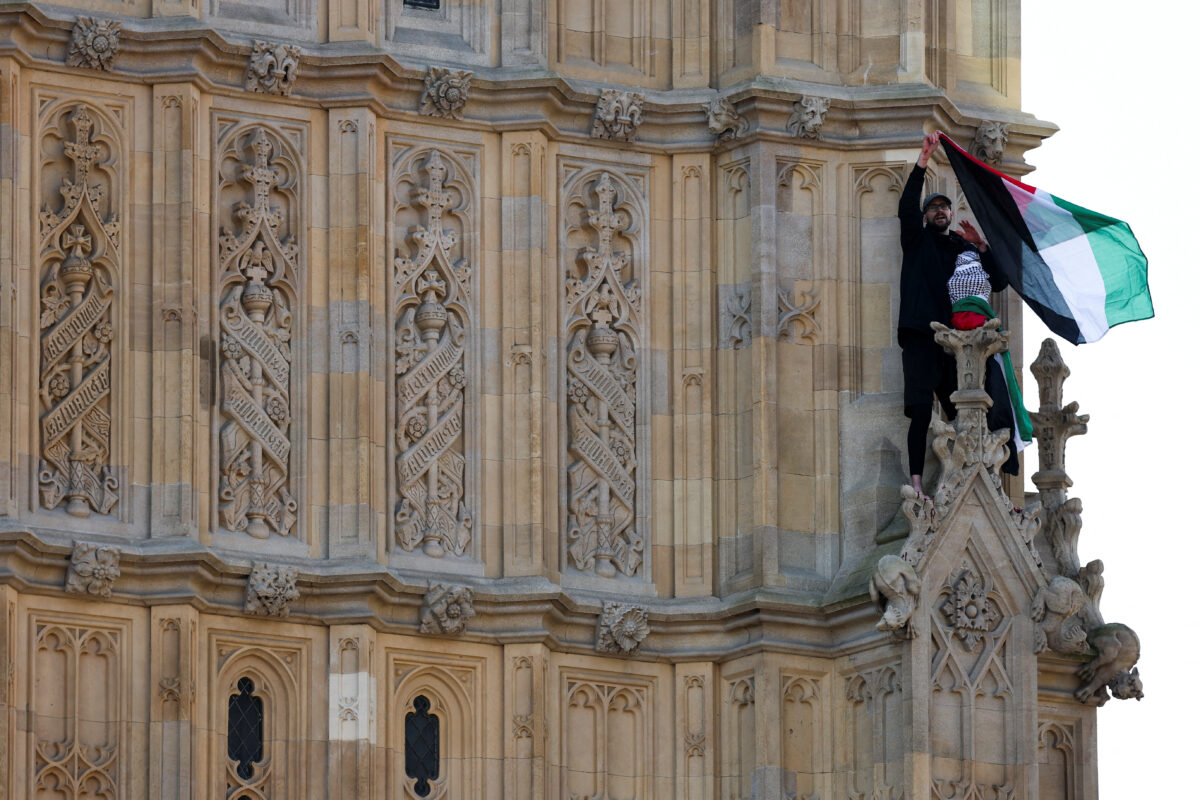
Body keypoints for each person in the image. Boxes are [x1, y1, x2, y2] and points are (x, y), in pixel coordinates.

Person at [898, 132, 1009, 496]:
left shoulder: (963, 247)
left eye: (945, 207)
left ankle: (973, 481)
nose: (940, 211)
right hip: (919, 334)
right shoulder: (916, 240)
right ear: (927, 215)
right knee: (918, 410)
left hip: (957, 340)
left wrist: (982, 246)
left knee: (963, 411)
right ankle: (916, 483)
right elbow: (906, 209)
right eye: (934, 208)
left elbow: (998, 281)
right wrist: (923, 159)